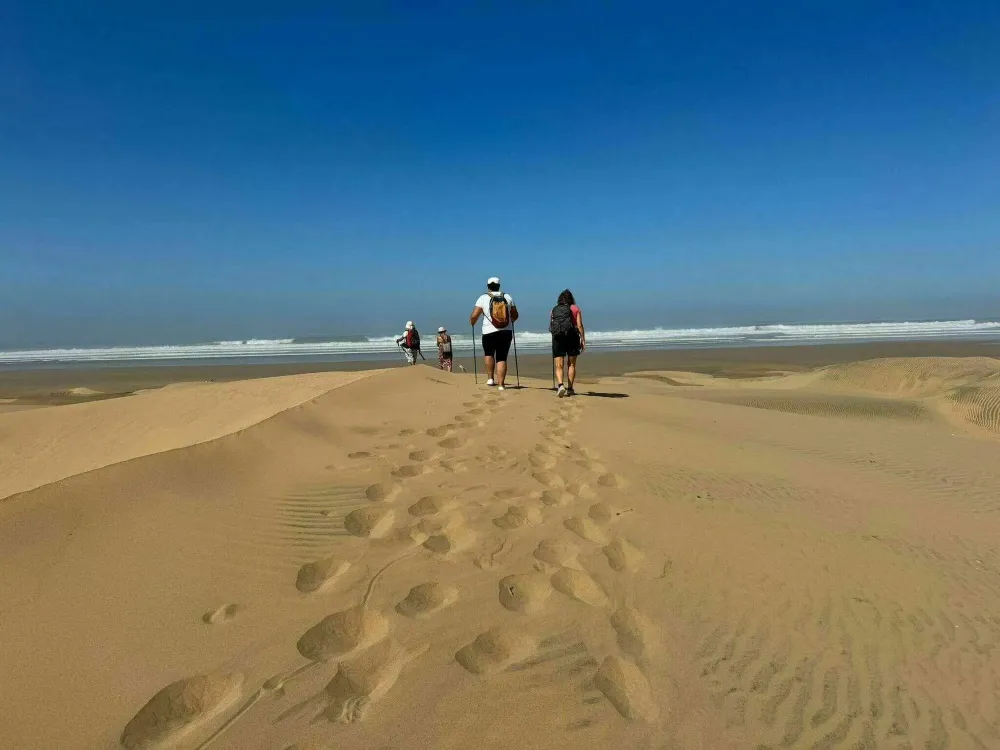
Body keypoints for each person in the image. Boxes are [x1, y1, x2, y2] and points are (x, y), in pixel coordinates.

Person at [469, 276, 518, 391]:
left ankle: (490, 378)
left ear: (488, 286)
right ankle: (501, 385)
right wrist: (509, 321)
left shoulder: (483, 298)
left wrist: (472, 323)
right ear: (499, 286)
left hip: (488, 331)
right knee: (502, 357)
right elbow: (515, 315)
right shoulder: (507, 297)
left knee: (489, 353)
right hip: (506, 331)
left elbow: (474, 316)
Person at [549, 289, 585, 397]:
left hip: (558, 337)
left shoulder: (554, 309)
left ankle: (560, 385)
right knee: (571, 364)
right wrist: (583, 339)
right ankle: (570, 388)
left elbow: (552, 325)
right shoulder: (575, 308)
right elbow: (579, 325)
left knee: (559, 364)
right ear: (571, 298)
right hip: (572, 336)